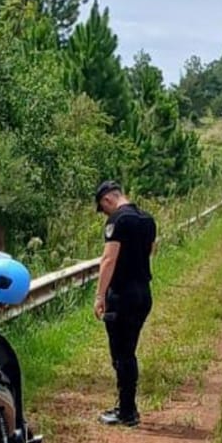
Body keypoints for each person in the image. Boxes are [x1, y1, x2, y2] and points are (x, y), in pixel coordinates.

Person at [93, 181, 157, 428]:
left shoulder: (118, 221)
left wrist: (100, 296)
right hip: (143, 292)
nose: (105, 214)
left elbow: (108, 260)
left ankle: (127, 412)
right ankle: (125, 405)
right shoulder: (147, 219)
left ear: (108, 199)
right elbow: (150, 250)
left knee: (122, 355)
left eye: (103, 208)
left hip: (123, 294)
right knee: (128, 350)